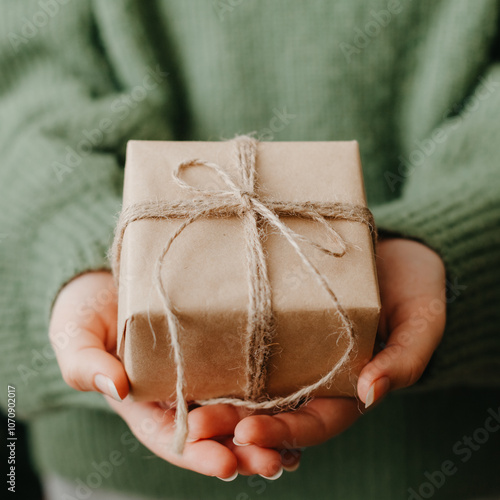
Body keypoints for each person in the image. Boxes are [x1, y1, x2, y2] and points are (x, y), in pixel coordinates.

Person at [1, 1, 499, 499]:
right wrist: (75, 245)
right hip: (115, 481)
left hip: (446, 466)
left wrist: (449, 236)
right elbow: (19, 88)